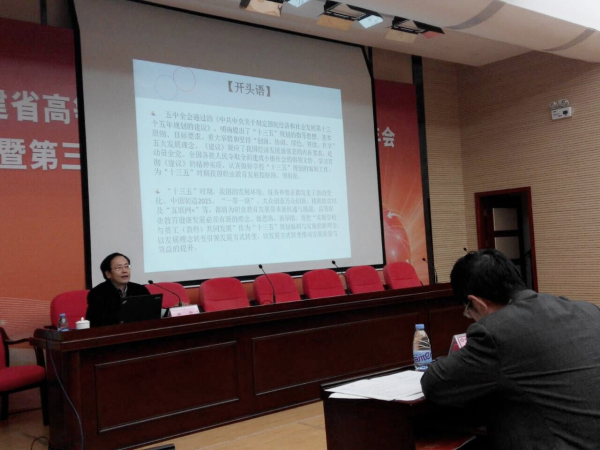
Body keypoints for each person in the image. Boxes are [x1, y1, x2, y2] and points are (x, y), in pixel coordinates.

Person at [421, 249, 600, 449]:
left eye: (468, 312)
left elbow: (434, 384)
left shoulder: (495, 332)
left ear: (477, 303)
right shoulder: (588, 310)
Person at [86, 252, 150, 327]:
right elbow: (95, 324)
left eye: (127, 266)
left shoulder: (140, 290)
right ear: (108, 274)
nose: (125, 271)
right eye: (119, 268)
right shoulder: (97, 293)